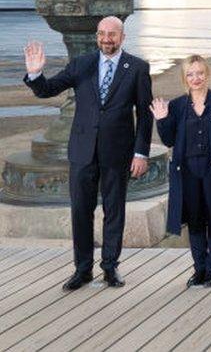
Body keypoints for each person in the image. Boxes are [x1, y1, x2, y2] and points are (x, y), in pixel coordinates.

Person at [23, 16, 152, 291]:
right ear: (97, 36)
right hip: (82, 152)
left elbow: (144, 114)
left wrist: (141, 153)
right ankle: (82, 270)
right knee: (81, 212)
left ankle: (110, 268)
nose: (107, 39)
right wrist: (36, 74)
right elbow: (48, 90)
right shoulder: (81, 65)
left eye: (112, 34)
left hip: (118, 153)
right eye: (102, 34)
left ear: (122, 37)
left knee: (114, 211)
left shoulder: (138, 68)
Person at [150, 55, 211, 287]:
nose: (196, 78)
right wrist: (161, 120)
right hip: (187, 173)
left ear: (207, 74)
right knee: (195, 222)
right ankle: (199, 269)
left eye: (199, 73)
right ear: (184, 78)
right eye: (190, 74)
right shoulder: (178, 106)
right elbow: (170, 140)